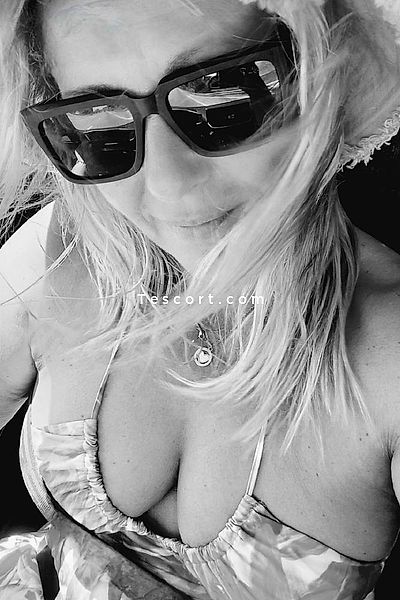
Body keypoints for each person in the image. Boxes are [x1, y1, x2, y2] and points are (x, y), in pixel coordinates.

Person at [0, 0, 400, 598]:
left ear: (324, 75)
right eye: (97, 120)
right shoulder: (61, 253)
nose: (167, 185)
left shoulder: (389, 353)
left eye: (222, 97)